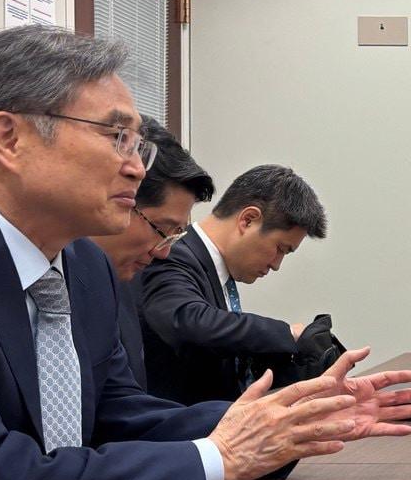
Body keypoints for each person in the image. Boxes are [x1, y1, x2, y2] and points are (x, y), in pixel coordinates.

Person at [0, 26, 411, 480]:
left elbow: (119, 416)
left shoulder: (85, 265)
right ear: (9, 138)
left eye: (136, 143)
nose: (137, 166)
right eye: (115, 136)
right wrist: (217, 458)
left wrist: (286, 422)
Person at [139, 164, 340, 404]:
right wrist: (287, 333)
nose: (277, 264)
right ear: (248, 220)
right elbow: (186, 320)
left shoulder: (216, 273)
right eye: (280, 249)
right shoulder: (174, 256)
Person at [89, 117, 215, 388]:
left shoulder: (116, 284)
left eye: (175, 235)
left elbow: (124, 406)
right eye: (162, 229)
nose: (164, 253)